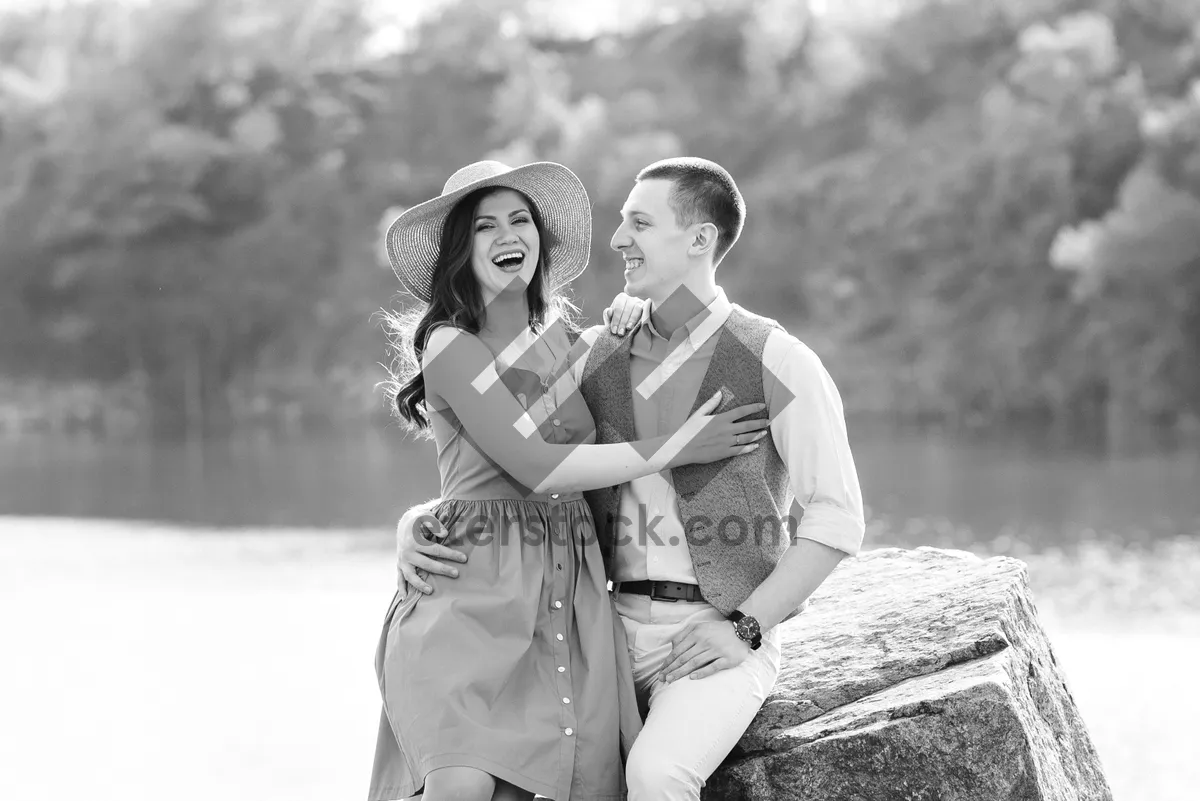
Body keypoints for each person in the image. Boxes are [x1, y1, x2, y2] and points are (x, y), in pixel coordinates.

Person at [395, 157, 866, 800]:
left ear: (699, 240)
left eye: (638, 223)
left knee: (655, 776)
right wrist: (420, 519)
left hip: (713, 628)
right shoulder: (596, 352)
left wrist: (745, 627)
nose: (616, 240)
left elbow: (838, 519)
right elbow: (514, 463)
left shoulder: (779, 359)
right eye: (622, 224)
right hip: (599, 628)